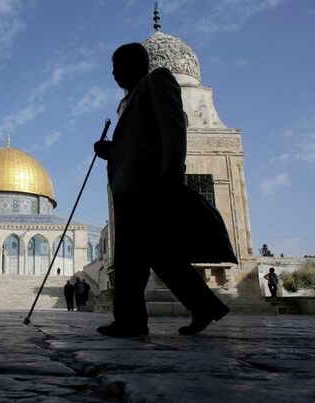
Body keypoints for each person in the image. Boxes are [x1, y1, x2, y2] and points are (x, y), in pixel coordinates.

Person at [93, 43, 236, 337]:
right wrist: (111, 150)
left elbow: (173, 125)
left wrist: (173, 171)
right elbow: (136, 144)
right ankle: (203, 306)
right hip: (132, 188)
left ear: (135, 64)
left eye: (118, 66)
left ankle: (131, 321)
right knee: (157, 256)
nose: (113, 73)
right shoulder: (133, 98)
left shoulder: (157, 80)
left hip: (148, 186)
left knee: (134, 259)